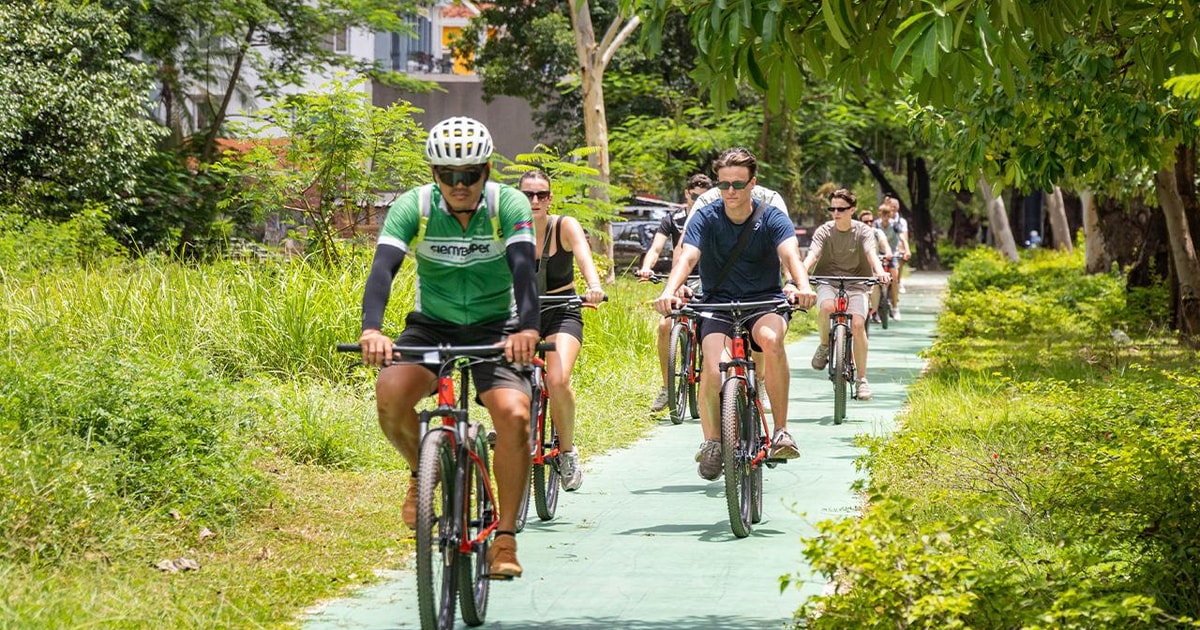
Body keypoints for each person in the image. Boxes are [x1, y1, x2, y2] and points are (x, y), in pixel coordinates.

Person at [357, 116, 537, 579]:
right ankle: (424, 470)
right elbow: (383, 270)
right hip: (431, 326)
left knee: (515, 416)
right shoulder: (412, 206)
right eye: (448, 175)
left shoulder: (508, 204)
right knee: (390, 394)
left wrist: (528, 330)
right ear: (435, 174)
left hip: (498, 326)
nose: (460, 185)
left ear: (488, 170)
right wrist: (373, 330)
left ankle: (506, 537)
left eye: (470, 174)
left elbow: (523, 271)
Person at [653, 148, 816, 481]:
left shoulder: (771, 217)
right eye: (724, 184)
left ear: (752, 183)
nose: (730, 192)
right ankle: (713, 441)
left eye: (738, 185)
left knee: (770, 342)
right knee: (713, 368)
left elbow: (790, 254)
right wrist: (670, 291)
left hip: (764, 301)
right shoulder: (706, 216)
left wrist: (802, 285)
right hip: (718, 303)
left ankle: (782, 431)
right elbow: (687, 257)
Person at [518, 169, 606, 491]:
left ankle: (567, 452)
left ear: (550, 198)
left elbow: (584, 256)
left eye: (541, 194)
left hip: (562, 311)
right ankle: (513, 425)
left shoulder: (563, 226)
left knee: (557, 379)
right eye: (528, 195)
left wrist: (593, 286)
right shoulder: (511, 230)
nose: (535, 200)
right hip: (523, 313)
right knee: (505, 376)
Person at [804, 189, 892, 401]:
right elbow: (812, 255)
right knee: (826, 307)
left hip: (857, 283)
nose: (836, 212)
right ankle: (825, 346)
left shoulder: (863, 231)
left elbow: (871, 254)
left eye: (841, 209)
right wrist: (802, 273)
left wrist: (880, 273)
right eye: (832, 208)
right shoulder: (825, 230)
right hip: (828, 280)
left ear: (852, 210)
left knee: (859, 325)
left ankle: (862, 380)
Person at [636, 173, 712, 412]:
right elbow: (656, 247)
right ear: (686, 194)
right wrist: (647, 268)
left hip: (709, 280)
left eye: (704, 196)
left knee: (710, 330)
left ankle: (712, 386)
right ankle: (667, 388)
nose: (698, 200)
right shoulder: (673, 219)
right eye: (694, 196)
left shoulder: (715, 216)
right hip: (680, 279)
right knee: (664, 326)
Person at [856, 208, 893, 324]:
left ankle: (874, 308)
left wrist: (888, 252)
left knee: (877, 282)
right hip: (858, 265)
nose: (869, 224)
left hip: (875, 264)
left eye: (871, 221)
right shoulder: (855, 232)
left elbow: (884, 244)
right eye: (865, 222)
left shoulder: (877, 232)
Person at [877, 204, 910, 320]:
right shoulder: (876, 225)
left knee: (894, 278)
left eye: (887, 214)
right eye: (882, 214)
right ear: (879, 214)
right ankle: (874, 308)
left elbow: (903, 239)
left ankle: (895, 307)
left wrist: (907, 250)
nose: (885, 217)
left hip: (892, 255)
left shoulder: (895, 225)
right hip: (878, 255)